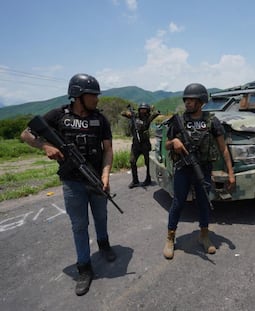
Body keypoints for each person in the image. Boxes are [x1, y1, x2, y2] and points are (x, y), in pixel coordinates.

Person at [21, 73, 116, 296]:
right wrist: (45, 147)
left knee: (101, 217)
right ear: (78, 96)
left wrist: (106, 176)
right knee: (79, 226)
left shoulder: (100, 119)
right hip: (72, 183)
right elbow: (26, 134)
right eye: (93, 95)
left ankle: (104, 244)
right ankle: (84, 268)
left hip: (96, 179)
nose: (97, 99)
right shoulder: (57, 115)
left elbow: (108, 150)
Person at [163, 83, 235, 259]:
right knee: (178, 203)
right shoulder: (179, 121)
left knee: (204, 203)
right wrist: (174, 143)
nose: (187, 102)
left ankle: (204, 235)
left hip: (203, 168)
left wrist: (231, 173)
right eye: (186, 99)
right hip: (183, 169)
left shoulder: (212, 121)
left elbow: (223, 148)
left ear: (201, 101)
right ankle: (170, 238)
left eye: (191, 100)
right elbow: (167, 143)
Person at [121, 103, 160, 188]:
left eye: (145, 109)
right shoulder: (134, 116)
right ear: (139, 110)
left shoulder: (148, 117)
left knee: (147, 163)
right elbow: (123, 113)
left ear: (147, 110)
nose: (143, 111)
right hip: (136, 144)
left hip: (145, 144)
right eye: (141, 109)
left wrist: (155, 111)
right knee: (132, 161)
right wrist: (127, 113)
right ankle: (135, 181)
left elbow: (156, 114)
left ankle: (148, 179)